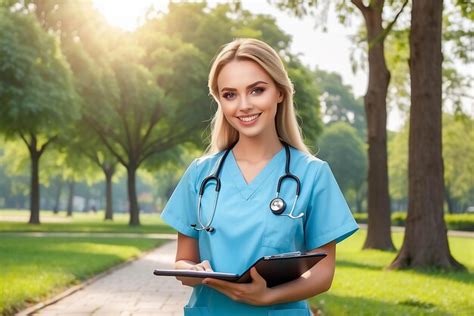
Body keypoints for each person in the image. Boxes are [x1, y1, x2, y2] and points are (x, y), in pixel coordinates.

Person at [160, 38, 359, 315]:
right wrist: (190, 270)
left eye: (257, 90)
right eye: (230, 94)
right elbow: (183, 261)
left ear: (279, 92)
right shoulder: (200, 175)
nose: (243, 105)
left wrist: (267, 297)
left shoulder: (313, 174)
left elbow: (323, 274)